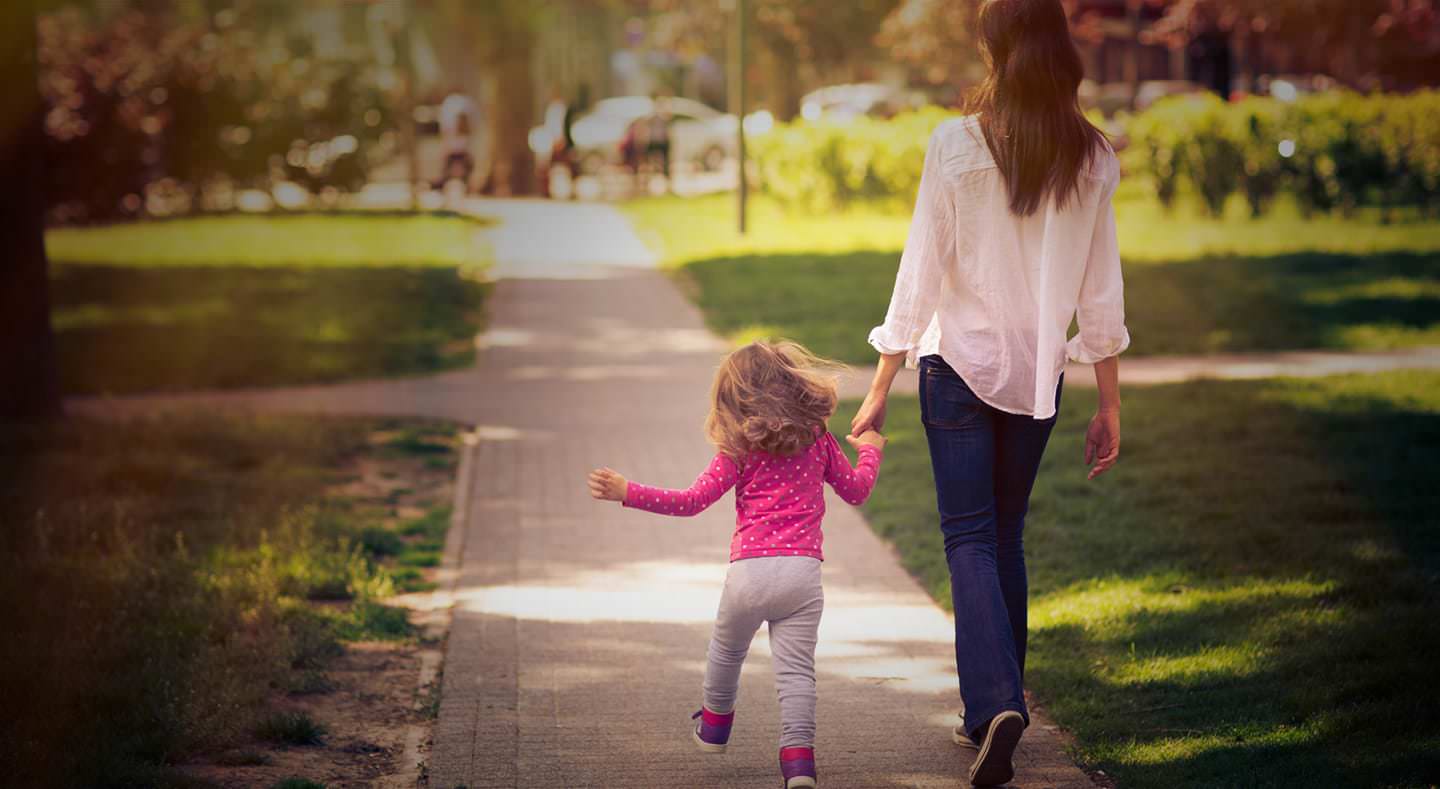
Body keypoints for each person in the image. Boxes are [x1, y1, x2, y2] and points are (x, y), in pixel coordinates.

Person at [849, 0, 1129, 785]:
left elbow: (919, 273)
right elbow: (1101, 293)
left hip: (956, 369)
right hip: (1039, 376)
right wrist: (1109, 402)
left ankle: (995, 701)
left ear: (994, 48)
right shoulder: (1095, 157)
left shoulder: (955, 144)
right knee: (1004, 535)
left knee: (968, 536)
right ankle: (995, 707)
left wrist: (881, 383)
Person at [588, 340, 886, 789]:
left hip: (749, 572)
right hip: (803, 575)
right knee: (797, 674)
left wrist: (628, 491)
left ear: (734, 399)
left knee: (726, 653)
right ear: (794, 385)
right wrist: (871, 448)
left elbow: (690, 503)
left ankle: (714, 727)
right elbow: (858, 490)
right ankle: (799, 762)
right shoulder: (817, 440)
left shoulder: (739, 448)